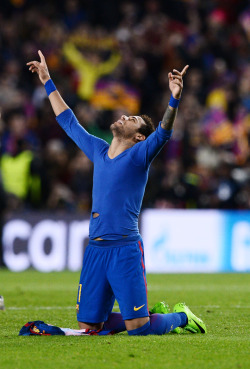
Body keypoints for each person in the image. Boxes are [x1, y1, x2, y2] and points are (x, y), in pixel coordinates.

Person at [27, 51, 207, 336]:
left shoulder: (139, 156)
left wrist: (174, 98)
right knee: (89, 327)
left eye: (132, 118)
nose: (124, 116)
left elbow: (162, 133)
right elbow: (68, 121)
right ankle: (145, 314)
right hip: (96, 248)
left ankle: (181, 318)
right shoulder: (98, 149)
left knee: (138, 330)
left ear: (138, 137)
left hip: (124, 248)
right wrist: (48, 80)